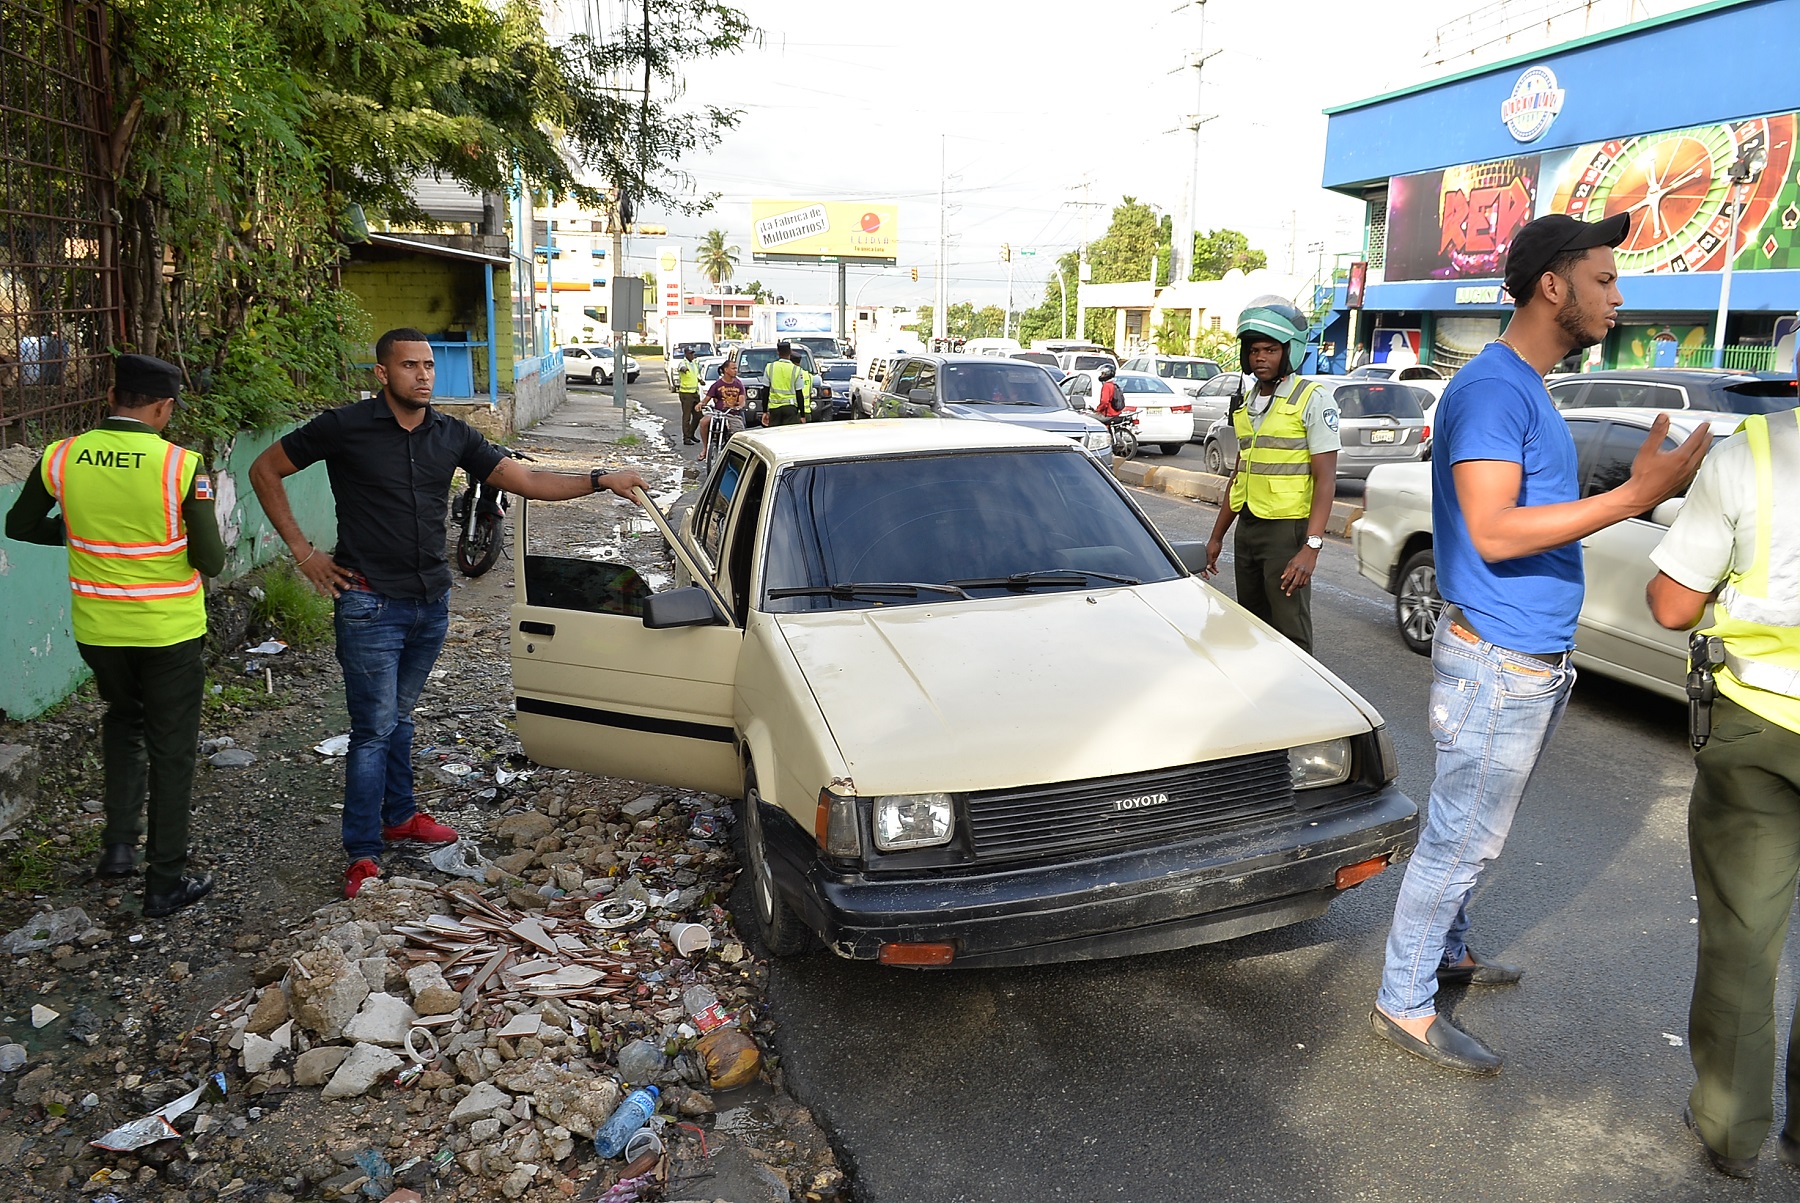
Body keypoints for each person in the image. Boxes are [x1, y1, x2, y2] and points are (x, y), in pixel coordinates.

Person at [1370, 213, 1709, 1075]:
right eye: (1603, 277)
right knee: (1461, 837)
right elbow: (1490, 529)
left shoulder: (1527, 385)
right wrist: (1633, 497)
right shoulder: (1493, 389)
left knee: (1476, 831)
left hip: (1528, 661)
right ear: (1553, 284)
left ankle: (1447, 951)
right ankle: (1403, 1001)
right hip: (1498, 664)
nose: (1618, 295)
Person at [249, 328, 649, 898]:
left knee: (401, 719)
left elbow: (527, 479)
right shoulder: (345, 428)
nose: (423, 375)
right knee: (372, 731)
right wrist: (304, 553)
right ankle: (362, 853)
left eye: (429, 366)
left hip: (430, 603)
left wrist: (599, 479)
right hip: (367, 601)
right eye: (410, 366)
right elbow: (265, 470)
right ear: (383, 374)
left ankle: (401, 815)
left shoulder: (452, 434)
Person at [5, 354, 222, 917]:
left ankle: (119, 848)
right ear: (164, 407)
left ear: (110, 396)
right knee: (171, 750)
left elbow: (21, 525)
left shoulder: (62, 456)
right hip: (167, 631)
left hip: (98, 630)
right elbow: (213, 559)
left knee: (123, 720)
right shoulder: (181, 466)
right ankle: (165, 881)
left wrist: (81, 539)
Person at [1646, 388, 1800, 1177]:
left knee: (1745, 937)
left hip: (1762, 726)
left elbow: (1672, 605)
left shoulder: (1750, 457)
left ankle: (1733, 1132)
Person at [1200, 299, 1340, 654]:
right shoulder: (1249, 403)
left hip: (1286, 530)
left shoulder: (1311, 399)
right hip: (1247, 528)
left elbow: (1326, 480)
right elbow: (1240, 473)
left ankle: (1300, 704)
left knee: (1289, 631)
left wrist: (1311, 547)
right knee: (1250, 624)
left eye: (1271, 350)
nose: (1260, 357)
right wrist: (1217, 536)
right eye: (1255, 350)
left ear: (1288, 352)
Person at [697, 357, 748, 462]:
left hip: (733, 414)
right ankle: (706, 449)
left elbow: (742, 401)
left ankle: (738, 457)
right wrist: (700, 404)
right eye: (733, 368)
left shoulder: (739, 384)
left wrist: (739, 406)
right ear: (726, 370)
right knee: (703, 422)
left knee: (740, 434)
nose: (736, 370)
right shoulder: (717, 384)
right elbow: (706, 400)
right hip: (718, 413)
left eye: (736, 368)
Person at [763, 341, 808, 427]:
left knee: (774, 435)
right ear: (790, 352)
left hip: (774, 409)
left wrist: (765, 411)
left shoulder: (770, 367)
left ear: (778, 352)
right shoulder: (796, 369)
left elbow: (765, 391)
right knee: (788, 436)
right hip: (790, 409)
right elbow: (799, 394)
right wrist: (802, 415)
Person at [676, 346, 702, 445]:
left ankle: (691, 434)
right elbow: (681, 368)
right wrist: (684, 369)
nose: (692, 355)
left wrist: (700, 380)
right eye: (690, 353)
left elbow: (694, 375)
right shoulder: (683, 363)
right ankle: (686, 438)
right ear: (686, 354)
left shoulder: (694, 363)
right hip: (686, 394)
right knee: (687, 417)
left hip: (695, 393)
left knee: (698, 415)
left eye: (693, 353)